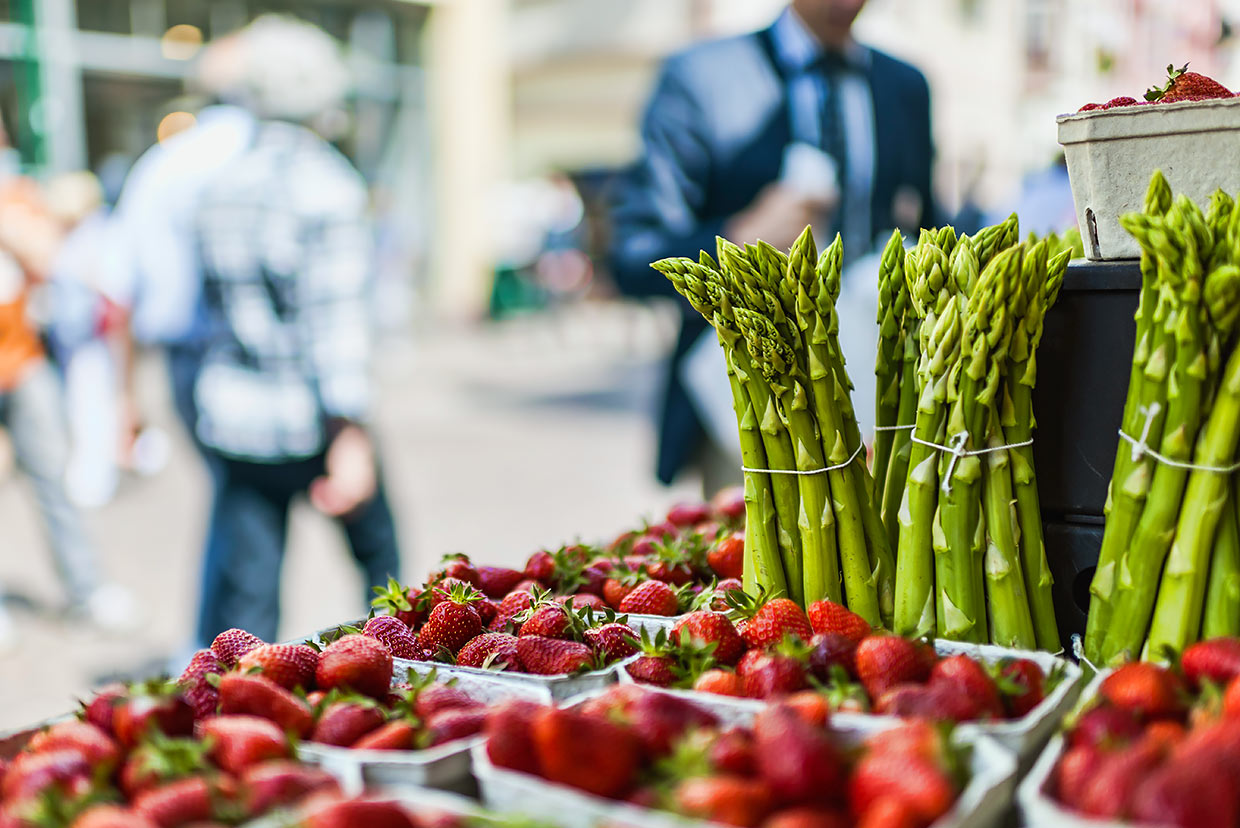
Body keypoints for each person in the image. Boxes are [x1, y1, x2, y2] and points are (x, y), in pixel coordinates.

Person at [609, 0, 936, 491]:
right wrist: (740, 237)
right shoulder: (699, 76)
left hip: (877, 392)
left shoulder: (905, 86)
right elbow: (633, 255)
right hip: (744, 400)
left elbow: (934, 222)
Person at [188, 16, 401, 644]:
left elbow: (209, 309)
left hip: (237, 416)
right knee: (386, 578)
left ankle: (246, 722)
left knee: (248, 597)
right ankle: (397, 688)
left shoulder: (221, 183)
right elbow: (334, 325)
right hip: (312, 418)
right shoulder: (326, 186)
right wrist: (351, 435)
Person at [0, 136, 136, 648]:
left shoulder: (17, 195)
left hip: (22, 364)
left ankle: (88, 588)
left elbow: (45, 253)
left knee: (53, 478)